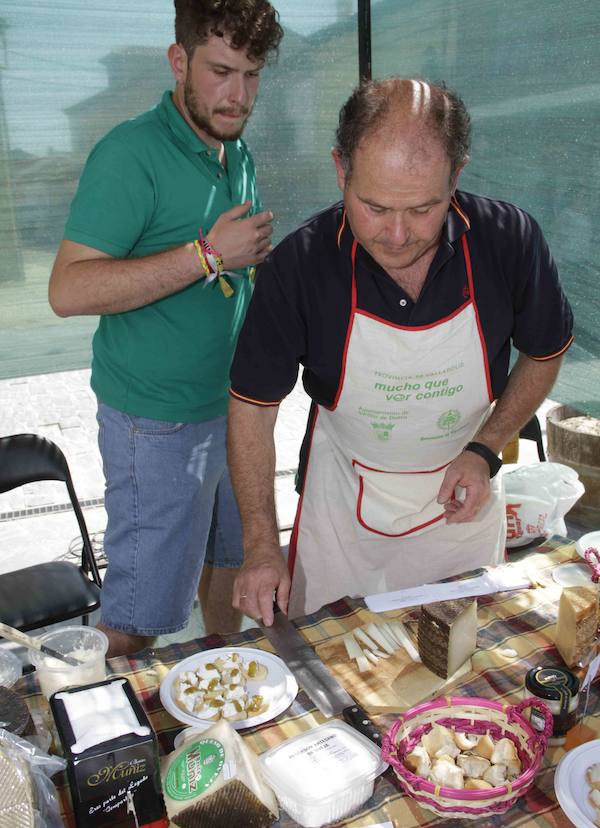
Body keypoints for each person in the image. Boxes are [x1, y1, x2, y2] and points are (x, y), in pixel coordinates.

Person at [227, 77, 574, 625]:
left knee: (465, 668)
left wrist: (486, 450)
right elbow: (251, 409)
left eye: (421, 209)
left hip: (464, 496)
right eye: (373, 206)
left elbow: (544, 352)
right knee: (339, 667)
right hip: (344, 505)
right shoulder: (301, 266)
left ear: (456, 176)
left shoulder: (509, 241)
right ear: (341, 170)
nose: (395, 234)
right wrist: (262, 546)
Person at [48, 0, 283, 656]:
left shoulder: (235, 150)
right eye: (220, 71)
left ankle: (216, 684)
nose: (237, 95)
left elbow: (233, 271)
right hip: (157, 426)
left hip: (234, 411)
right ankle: (105, 742)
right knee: (138, 615)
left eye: (252, 75)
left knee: (232, 562)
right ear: (179, 61)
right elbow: (67, 290)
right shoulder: (130, 155)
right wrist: (207, 255)